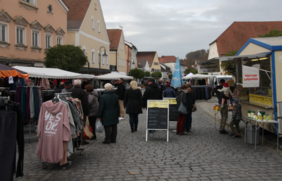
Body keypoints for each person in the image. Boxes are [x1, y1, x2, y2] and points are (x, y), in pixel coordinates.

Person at [70, 79, 90, 144]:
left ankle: (74, 138)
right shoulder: (82, 92)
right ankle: (82, 139)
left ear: (74, 84)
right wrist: (86, 113)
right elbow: (85, 103)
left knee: (74, 124)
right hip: (81, 111)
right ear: (80, 84)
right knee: (82, 125)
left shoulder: (70, 91)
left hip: (71, 111)